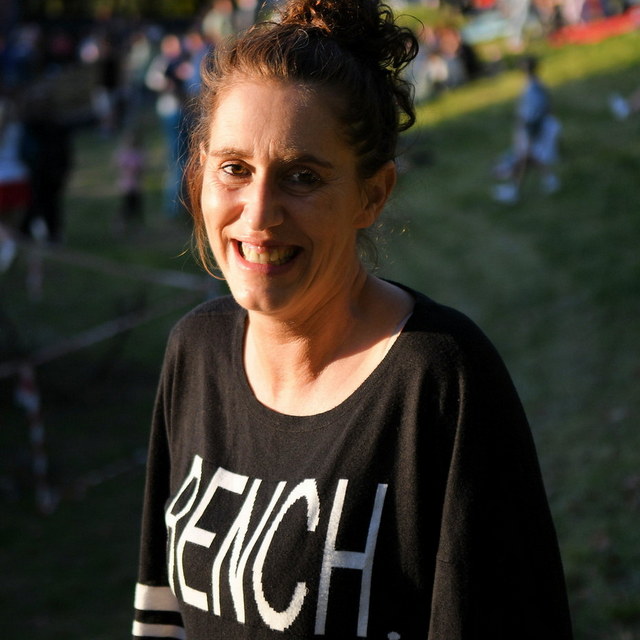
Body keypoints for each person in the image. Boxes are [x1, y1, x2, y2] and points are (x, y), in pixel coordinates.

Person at [132, 2, 573, 638]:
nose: (258, 214)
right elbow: (161, 614)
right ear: (199, 170)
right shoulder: (194, 351)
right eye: (234, 169)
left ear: (372, 194)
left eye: (301, 176)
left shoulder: (438, 380)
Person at [493, 55, 562, 204]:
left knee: (524, 158)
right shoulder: (535, 85)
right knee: (529, 157)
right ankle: (548, 180)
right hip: (532, 127)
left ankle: (515, 190)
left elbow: (533, 112)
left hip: (531, 128)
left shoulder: (533, 88)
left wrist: (528, 130)